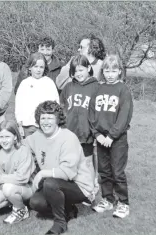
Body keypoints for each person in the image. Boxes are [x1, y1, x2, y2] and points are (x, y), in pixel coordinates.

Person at [26, 101, 95, 235]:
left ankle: (60, 223)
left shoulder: (68, 138)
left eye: (50, 118)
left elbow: (67, 172)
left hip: (78, 185)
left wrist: (41, 174)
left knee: (49, 183)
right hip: (54, 183)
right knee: (35, 203)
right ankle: (68, 209)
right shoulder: (37, 136)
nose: (46, 122)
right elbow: (22, 146)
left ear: (58, 119)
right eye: (43, 118)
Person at [89, 54, 133, 219]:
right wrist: (97, 134)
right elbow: (91, 113)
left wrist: (112, 136)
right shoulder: (98, 88)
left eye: (114, 70)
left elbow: (124, 116)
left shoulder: (123, 90)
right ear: (103, 71)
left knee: (117, 172)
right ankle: (108, 199)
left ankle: (123, 203)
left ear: (120, 72)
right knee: (104, 171)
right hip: (101, 138)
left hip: (117, 139)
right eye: (107, 70)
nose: (110, 74)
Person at [59, 54, 100, 197]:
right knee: (71, 162)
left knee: (87, 164)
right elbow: (62, 108)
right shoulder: (68, 87)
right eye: (75, 71)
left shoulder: (96, 87)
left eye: (81, 70)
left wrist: (96, 132)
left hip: (87, 134)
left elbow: (99, 112)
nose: (78, 73)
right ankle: (74, 190)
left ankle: (90, 191)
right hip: (70, 133)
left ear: (89, 68)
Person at [0, 120, 35, 224]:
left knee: (8, 188)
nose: (4, 140)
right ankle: (15, 201)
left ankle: (21, 210)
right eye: (1, 137)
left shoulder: (23, 150)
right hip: (7, 186)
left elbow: (22, 178)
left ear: (15, 137)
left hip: (27, 187)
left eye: (7, 136)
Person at [15, 52, 60, 138]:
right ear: (30, 68)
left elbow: (56, 103)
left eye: (41, 67)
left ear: (45, 68)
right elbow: (19, 105)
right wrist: (19, 125)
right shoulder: (25, 83)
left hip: (45, 126)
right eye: (35, 67)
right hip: (28, 126)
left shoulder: (49, 83)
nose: (38, 70)